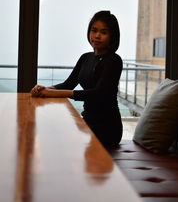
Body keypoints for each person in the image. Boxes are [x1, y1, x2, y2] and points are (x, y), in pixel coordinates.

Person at [31, 10, 123, 147]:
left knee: (59, 141)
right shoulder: (86, 57)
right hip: (87, 120)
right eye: (94, 30)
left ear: (112, 36)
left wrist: (53, 93)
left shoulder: (114, 60)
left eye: (103, 32)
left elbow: (97, 94)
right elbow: (68, 84)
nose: (97, 36)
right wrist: (44, 89)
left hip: (107, 127)